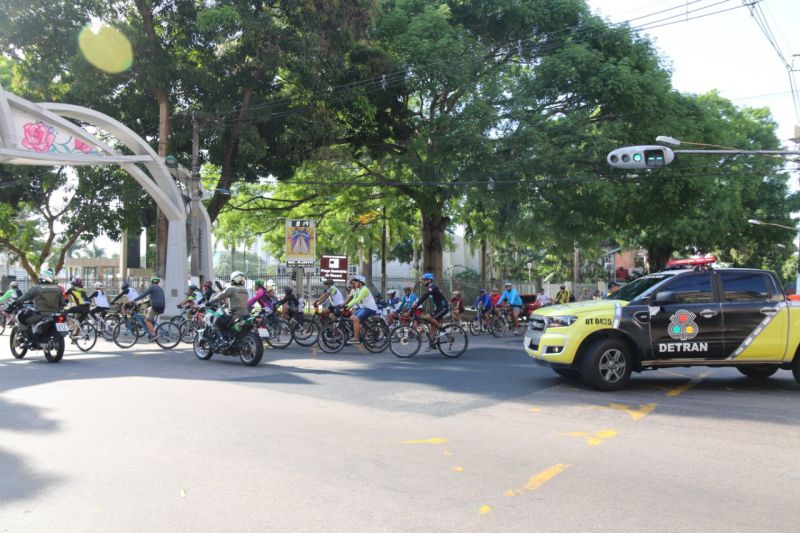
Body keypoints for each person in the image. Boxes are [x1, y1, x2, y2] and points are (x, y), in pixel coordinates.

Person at [10, 268, 64, 333]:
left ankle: (26, 340)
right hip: (54, 315)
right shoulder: (58, 289)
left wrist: (15, 302)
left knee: (21, 319)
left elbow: (25, 297)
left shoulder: (36, 288)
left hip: (40, 315)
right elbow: (62, 303)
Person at [208, 271, 250, 340]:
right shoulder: (245, 290)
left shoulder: (231, 289)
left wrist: (210, 302)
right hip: (246, 314)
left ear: (233, 279)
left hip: (234, 314)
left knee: (216, 324)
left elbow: (219, 297)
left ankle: (223, 340)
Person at [411, 273, 449, 350]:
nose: (423, 281)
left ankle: (443, 331)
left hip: (443, 307)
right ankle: (432, 345)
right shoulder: (430, 287)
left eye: (425, 280)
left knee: (428, 317)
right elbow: (425, 296)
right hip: (439, 308)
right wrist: (416, 303)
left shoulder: (433, 287)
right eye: (423, 280)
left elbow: (426, 295)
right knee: (432, 324)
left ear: (429, 280)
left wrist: (417, 304)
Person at [346, 275, 378, 344]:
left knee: (356, 319)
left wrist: (347, 306)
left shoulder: (364, 289)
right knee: (352, 317)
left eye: (356, 282)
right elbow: (354, 299)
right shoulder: (358, 289)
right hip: (364, 307)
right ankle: (362, 331)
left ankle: (356, 338)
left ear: (360, 283)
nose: (354, 283)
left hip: (370, 308)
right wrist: (346, 307)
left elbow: (357, 300)